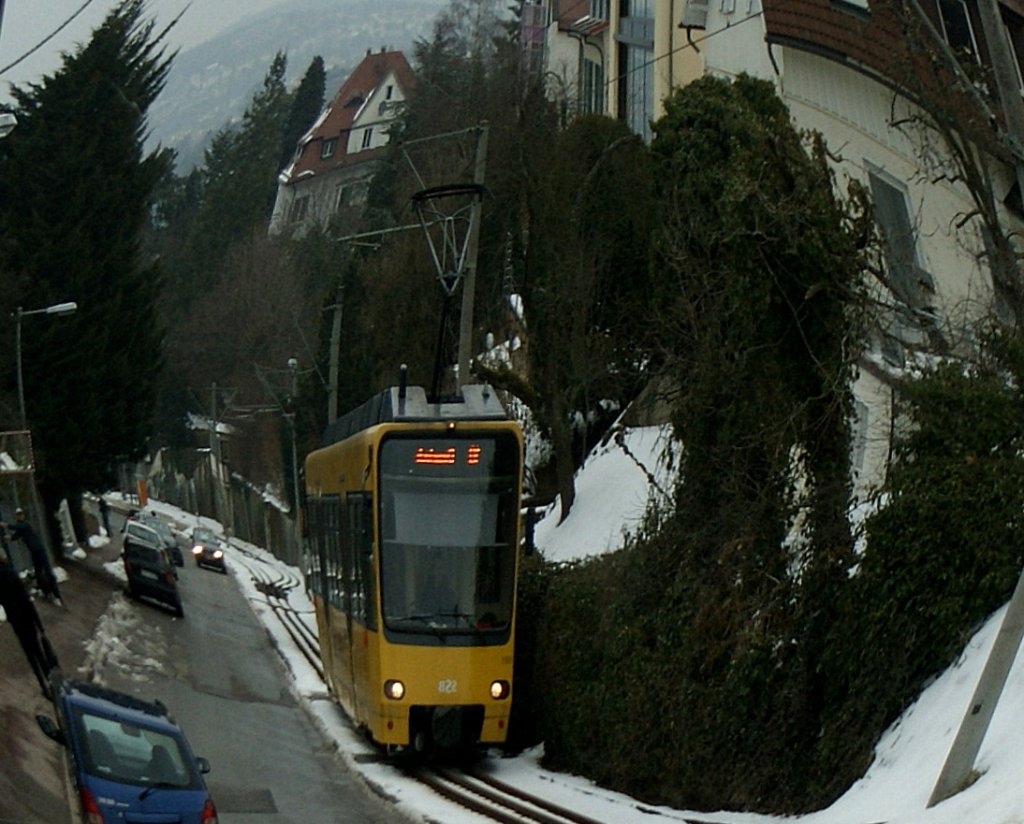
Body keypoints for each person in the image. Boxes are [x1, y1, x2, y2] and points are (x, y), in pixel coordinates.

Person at [0, 552, 59, 697]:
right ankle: (51, 682)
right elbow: (25, 597)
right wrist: (38, 623)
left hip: (15, 618)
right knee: (38, 650)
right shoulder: (11, 573)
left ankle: (43, 685)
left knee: (30, 653)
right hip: (27, 614)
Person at [2, 508, 62, 605]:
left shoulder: (25, 525)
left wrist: (4, 525)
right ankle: (45, 591)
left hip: (39, 550)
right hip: (34, 551)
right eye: (18, 514)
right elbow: (16, 535)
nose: (20, 516)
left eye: (21, 514)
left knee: (48, 572)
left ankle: (56, 595)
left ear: (23, 516)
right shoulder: (21, 527)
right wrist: (8, 538)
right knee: (38, 572)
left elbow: (16, 528)